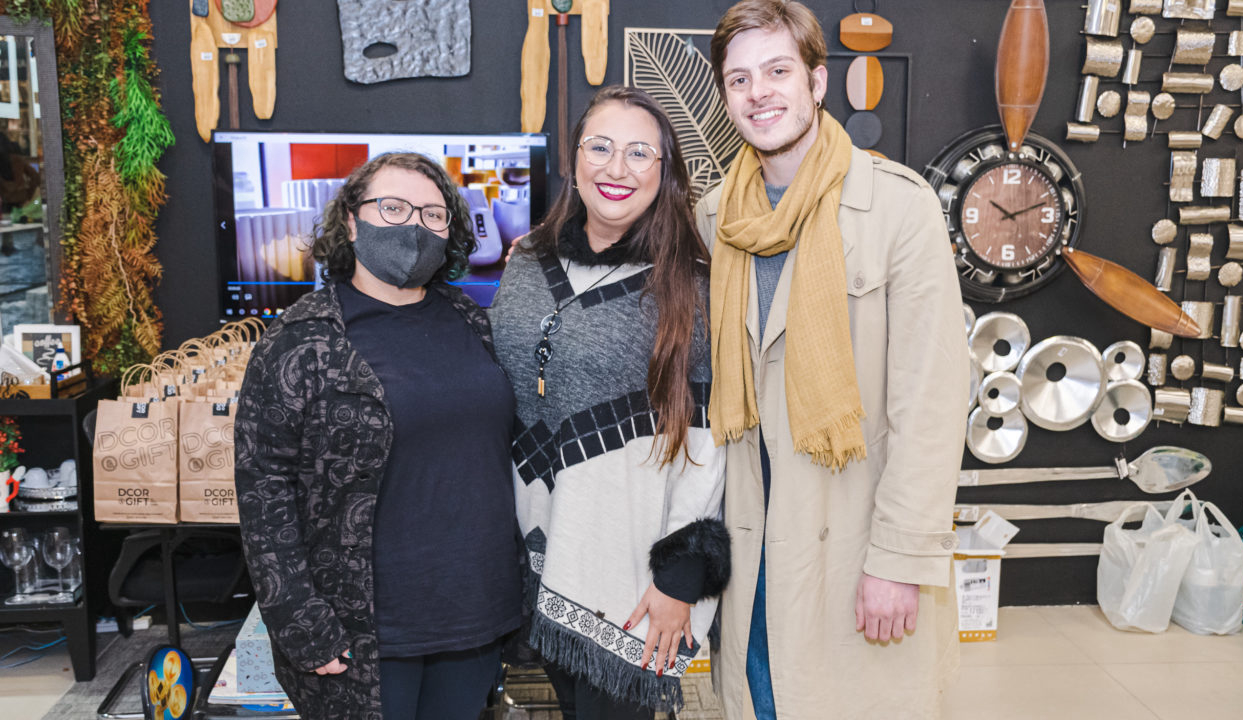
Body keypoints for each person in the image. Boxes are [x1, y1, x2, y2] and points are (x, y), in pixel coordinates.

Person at [694, 2, 969, 718]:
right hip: (751, 550)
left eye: (778, 70)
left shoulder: (898, 209)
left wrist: (899, 561)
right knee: (759, 700)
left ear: (818, 82)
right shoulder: (715, 216)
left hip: (851, 542)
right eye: (740, 79)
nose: (760, 93)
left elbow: (931, 403)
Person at [235, 152, 522, 720]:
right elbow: (263, 488)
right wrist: (298, 618)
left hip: (474, 612)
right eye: (391, 208)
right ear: (350, 221)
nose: (413, 225)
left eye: (433, 215)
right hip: (364, 629)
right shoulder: (298, 341)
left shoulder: (471, 320)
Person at [490, 85, 731, 719]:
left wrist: (679, 578)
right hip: (533, 545)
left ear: (665, 170)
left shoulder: (690, 283)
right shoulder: (527, 262)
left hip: (625, 565)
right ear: (573, 159)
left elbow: (706, 441)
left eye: (638, 153)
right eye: (600, 147)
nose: (616, 169)